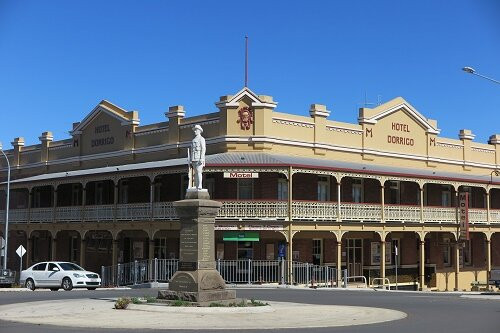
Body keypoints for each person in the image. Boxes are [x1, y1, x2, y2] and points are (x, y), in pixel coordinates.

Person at [189, 124, 206, 190]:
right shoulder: (193, 140)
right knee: (195, 173)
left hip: (199, 158)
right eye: (194, 130)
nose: (194, 131)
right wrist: (190, 159)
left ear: (199, 130)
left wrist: (202, 158)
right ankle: (196, 185)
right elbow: (191, 150)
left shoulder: (202, 139)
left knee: (199, 172)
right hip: (193, 158)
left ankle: (200, 185)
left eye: (196, 130)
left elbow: (203, 148)